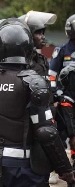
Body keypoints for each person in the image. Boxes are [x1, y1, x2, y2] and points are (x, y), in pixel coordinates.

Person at [0, 18, 75, 187]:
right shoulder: (33, 82)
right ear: (27, 48)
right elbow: (46, 132)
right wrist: (65, 170)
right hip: (26, 168)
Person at [19, 10, 59, 185]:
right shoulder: (20, 61)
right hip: (27, 130)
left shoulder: (42, 59)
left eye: (43, 32)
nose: (43, 37)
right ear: (27, 35)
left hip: (45, 125)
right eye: (38, 32)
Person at [49, 13, 75, 176]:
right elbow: (52, 74)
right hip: (66, 98)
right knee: (68, 132)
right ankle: (55, 168)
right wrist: (54, 95)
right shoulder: (62, 50)